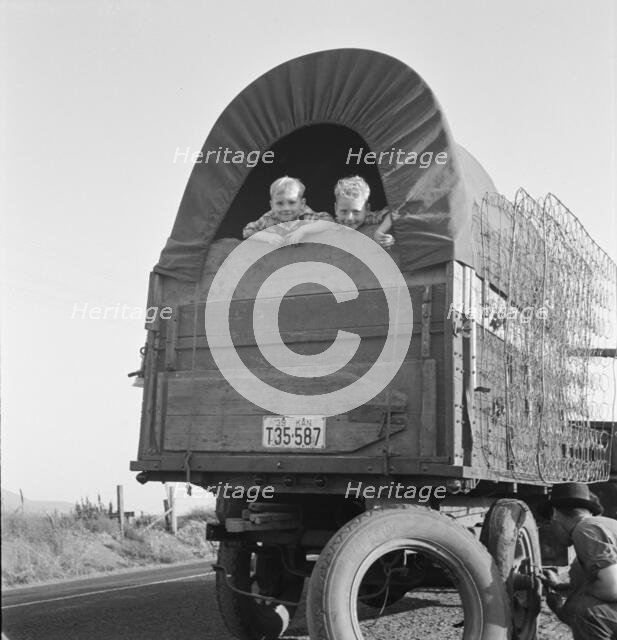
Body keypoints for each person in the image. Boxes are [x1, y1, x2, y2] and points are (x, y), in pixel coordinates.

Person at [539, 482, 617, 639]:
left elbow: (612, 587)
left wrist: (564, 606)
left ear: (554, 513)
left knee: (581, 609)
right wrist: (561, 586)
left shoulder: (584, 529)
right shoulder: (605, 524)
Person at [242, 176, 333, 246]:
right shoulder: (270, 217)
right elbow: (248, 231)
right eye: (280, 203)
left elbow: (328, 221)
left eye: (291, 202)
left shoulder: (305, 215)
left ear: (302, 203)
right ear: (272, 205)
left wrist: (303, 230)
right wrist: (267, 237)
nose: (286, 208)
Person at [333, 176, 394, 247]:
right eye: (344, 211)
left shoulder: (369, 218)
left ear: (367, 209)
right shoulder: (332, 222)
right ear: (335, 209)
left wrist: (380, 232)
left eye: (356, 212)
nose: (349, 218)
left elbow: (392, 213)